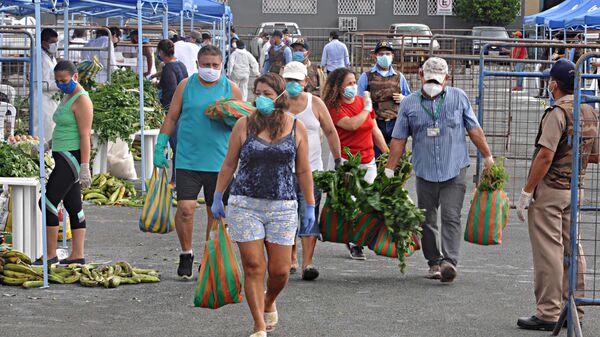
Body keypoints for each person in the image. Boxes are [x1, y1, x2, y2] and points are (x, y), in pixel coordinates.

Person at [211, 73, 315, 337]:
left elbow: (303, 171)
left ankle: (269, 300)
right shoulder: (244, 125)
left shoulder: (296, 127)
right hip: (245, 204)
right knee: (254, 267)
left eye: (267, 94)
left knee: (279, 271)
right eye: (258, 93)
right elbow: (229, 163)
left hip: (282, 206)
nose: (261, 98)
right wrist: (217, 195)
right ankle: (258, 324)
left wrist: (310, 205)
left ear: (280, 97)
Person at [384, 57, 494, 282]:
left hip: (454, 167)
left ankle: (449, 262)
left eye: (438, 79)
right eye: (428, 78)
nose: (432, 83)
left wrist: (488, 156)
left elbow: (473, 129)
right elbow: (398, 139)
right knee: (426, 218)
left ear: (447, 79)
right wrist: (389, 170)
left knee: (451, 215)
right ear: (421, 76)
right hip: (424, 170)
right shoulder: (409, 103)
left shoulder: (458, 97)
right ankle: (434, 261)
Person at [516, 59, 599, 331]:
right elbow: (596, 155)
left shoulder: (557, 112)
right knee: (573, 248)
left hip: (551, 190)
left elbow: (545, 155)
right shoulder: (588, 110)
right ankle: (574, 307)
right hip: (576, 189)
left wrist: (528, 190)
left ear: (554, 84)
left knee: (549, 252)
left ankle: (548, 312)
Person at [153, 45, 242, 279]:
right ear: (197, 65)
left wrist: (226, 117)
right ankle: (186, 252)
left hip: (220, 163)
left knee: (216, 214)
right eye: (206, 65)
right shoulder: (186, 86)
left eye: (215, 65)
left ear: (222, 66)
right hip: (188, 159)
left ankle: (208, 257)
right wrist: (161, 143)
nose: (210, 69)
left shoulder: (231, 88)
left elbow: (243, 123)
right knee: (185, 209)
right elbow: (172, 116)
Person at [282, 62, 342, 280]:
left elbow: (330, 131)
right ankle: (291, 258)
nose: (293, 84)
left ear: (306, 82)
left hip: (312, 171)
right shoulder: (277, 104)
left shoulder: (315, 103)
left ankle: (308, 263)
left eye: (297, 80)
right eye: (289, 80)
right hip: (283, 171)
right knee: (286, 215)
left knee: (309, 215)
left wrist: (338, 159)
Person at [322, 68, 388, 260]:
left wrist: (389, 155)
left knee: (368, 201)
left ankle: (360, 238)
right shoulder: (333, 107)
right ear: (338, 87)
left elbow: (374, 130)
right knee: (350, 202)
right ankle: (354, 243)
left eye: (355, 82)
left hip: (368, 160)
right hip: (346, 161)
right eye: (349, 83)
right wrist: (367, 109)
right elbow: (351, 125)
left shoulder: (361, 102)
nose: (353, 86)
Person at [33, 60, 93, 265]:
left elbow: (85, 136)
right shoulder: (68, 96)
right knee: (73, 204)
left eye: (64, 80)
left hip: (72, 157)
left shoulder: (82, 100)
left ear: (75, 77)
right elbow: (64, 127)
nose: (60, 84)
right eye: (57, 81)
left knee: (47, 202)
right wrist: (49, 144)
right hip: (61, 153)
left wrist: (85, 166)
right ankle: (78, 254)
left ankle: (50, 254)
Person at [357, 41, 411, 156]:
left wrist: (404, 99)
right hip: (375, 124)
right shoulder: (366, 77)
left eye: (387, 53)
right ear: (375, 56)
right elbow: (359, 101)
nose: (384, 56)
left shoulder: (399, 77)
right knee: (377, 159)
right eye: (381, 54)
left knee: (399, 161)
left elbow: (411, 101)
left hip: (396, 124)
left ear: (392, 56)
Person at [156, 39, 188, 184]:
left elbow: (171, 89)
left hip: (173, 111)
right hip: (184, 109)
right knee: (180, 146)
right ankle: (177, 180)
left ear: (161, 52)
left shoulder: (168, 68)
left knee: (176, 147)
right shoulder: (180, 64)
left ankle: (175, 181)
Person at [33, 28, 59, 141]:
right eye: (53, 43)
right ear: (44, 43)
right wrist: (61, 83)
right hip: (42, 100)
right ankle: (41, 156)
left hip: (50, 99)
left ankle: (47, 156)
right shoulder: (38, 55)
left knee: (50, 128)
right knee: (43, 130)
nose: (55, 45)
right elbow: (41, 83)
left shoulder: (49, 55)